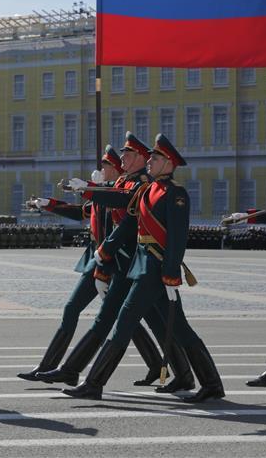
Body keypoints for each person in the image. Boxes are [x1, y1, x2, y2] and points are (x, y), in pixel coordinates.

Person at [63, 134, 222, 403]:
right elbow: (126, 219)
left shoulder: (176, 194)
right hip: (143, 265)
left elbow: (177, 237)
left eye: (156, 158)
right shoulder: (147, 190)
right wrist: (88, 192)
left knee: (124, 323)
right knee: (180, 328)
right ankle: (211, 384)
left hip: (156, 269)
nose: (150, 160)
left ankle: (94, 383)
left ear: (169, 162)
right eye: (150, 157)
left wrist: (171, 273)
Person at [38, 133, 193, 393]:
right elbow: (99, 209)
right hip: (130, 264)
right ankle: (74, 371)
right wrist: (72, 196)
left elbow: (124, 208)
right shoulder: (129, 183)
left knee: (145, 323)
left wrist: (89, 190)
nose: (122, 159)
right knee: (139, 322)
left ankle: (83, 375)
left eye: (127, 155)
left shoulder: (143, 184)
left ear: (142, 159)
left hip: (136, 263)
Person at [17, 145, 164, 386]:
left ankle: (66, 369)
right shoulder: (110, 191)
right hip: (100, 258)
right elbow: (81, 212)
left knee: (120, 318)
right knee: (112, 316)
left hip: (114, 261)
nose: (101, 170)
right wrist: (49, 204)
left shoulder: (123, 192)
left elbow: (116, 227)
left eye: (105, 166)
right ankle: (55, 366)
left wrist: (90, 189)